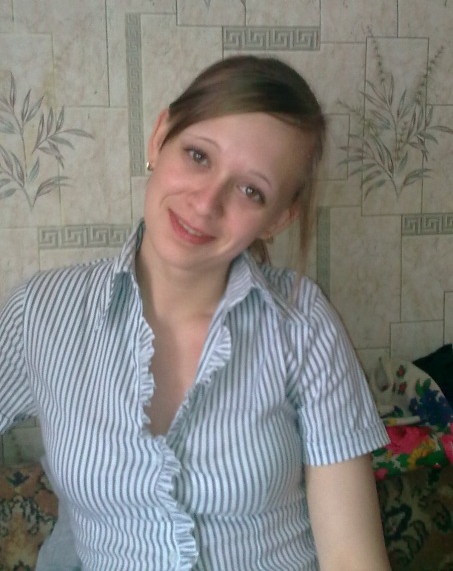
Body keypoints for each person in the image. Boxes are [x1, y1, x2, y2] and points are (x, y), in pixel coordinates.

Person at [0, 55, 391, 570]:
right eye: (198, 155)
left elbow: (352, 557)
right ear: (160, 138)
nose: (206, 203)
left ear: (278, 219)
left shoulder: (303, 322)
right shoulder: (41, 314)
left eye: (251, 191)